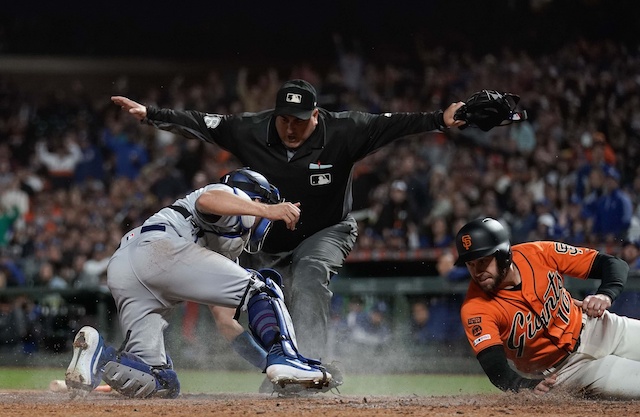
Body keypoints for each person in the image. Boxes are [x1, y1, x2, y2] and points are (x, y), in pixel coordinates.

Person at [111, 79, 466, 364]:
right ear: (275, 114)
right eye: (284, 119)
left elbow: (395, 124)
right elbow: (202, 123)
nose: (291, 128)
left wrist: (439, 119)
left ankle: (308, 361)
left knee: (310, 273)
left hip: (326, 228)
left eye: (299, 119)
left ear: (316, 114)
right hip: (264, 240)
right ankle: (280, 364)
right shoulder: (251, 128)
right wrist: (150, 114)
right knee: (246, 299)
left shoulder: (345, 130)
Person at [65, 168, 335, 398]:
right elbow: (208, 200)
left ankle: (100, 356)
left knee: (161, 382)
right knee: (263, 287)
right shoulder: (235, 198)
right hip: (161, 249)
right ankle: (288, 359)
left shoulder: (219, 251)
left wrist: (266, 366)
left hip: (126, 268)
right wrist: (267, 209)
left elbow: (226, 322)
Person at [454, 217, 640, 399]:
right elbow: (495, 367)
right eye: (470, 264)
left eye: (483, 261)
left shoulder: (538, 253)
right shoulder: (475, 308)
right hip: (566, 372)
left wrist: (605, 294)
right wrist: (524, 385)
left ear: (503, 254)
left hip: (600, 328)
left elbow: (613, 264)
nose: (477, 271)